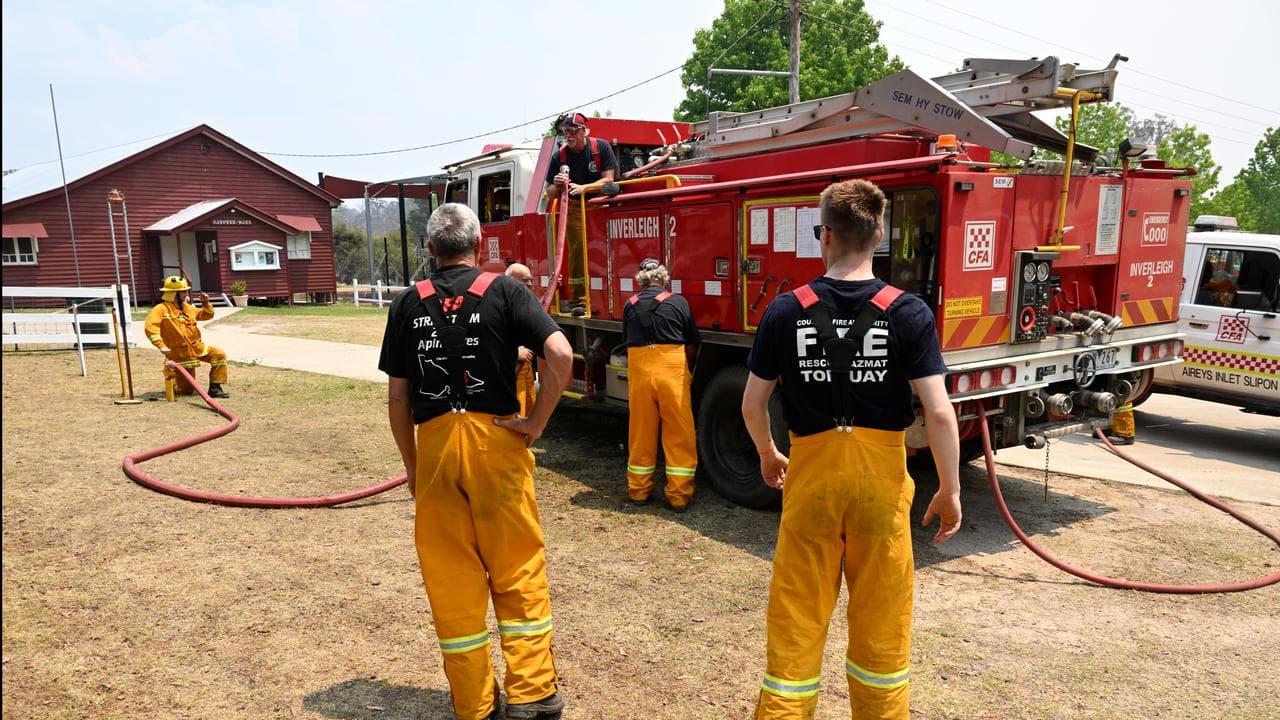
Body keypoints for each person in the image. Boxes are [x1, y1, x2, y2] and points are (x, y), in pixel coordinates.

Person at [741, 179, 962, 720]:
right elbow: (937, 411)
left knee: (796, 623)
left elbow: (751, 405)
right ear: (879, 235)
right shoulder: (908, 313)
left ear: (825, 235)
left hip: (811, 481)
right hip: (880, 489)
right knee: (882, 631)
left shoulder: (785, 310)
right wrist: (951, 490)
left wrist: (769, 454)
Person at [380, 204, 573, 720]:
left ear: (429, 249)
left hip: (437, 444)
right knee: (518, 568)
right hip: (498, 445)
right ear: (481, 244)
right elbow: (562, 354)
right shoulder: (508, 291)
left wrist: (414, 467)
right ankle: (532, 696)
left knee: (451, 579)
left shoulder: (405, 305)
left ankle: (474, 703)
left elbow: (398, 400)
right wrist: (536, 424)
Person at [621, 259, 700, 512]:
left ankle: (639, 491)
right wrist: (687, 370)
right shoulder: (679, 302)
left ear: (641, 280)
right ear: (664, 279)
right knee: (679, 432)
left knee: (641, 432)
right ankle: (679, 495)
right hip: (671, 370)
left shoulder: (629, 305)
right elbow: (692, 342)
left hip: (640, 371)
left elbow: (627, 341)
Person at [543, 111, 618, 317]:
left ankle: (607, 295)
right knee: (578, 250)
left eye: (573, 131)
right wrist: (557, 185)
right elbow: (549, 193)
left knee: (606, 251)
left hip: (601, 205)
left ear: (585, 131)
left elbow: (608, 180)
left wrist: (583, 188)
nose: (569, 136)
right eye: (566, 132)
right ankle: (579, 300)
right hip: (574, 208)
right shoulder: (560, 156)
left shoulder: (601, 147)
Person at [144, 275, 230, 398]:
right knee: (186, 391)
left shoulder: (187, 308)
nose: (186, 294)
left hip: (196, 348)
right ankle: (173, 380)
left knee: (219, 354)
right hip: (179, 353)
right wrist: (161, 346)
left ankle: (215, 389)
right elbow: (151, 329)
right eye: (183, 292)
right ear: (173, 293)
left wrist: (205, 302)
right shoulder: (160, 309)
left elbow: (207, 315)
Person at [505, 262, 539, 417]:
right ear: (510, 281)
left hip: (526, 369)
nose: (530, 284)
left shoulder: (524, 303)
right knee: (515, 416)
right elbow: (483, 342)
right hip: (513, 371)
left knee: (528, 415)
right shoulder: (498, 305)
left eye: (531, 280)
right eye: (525, 281)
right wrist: (513, 353)